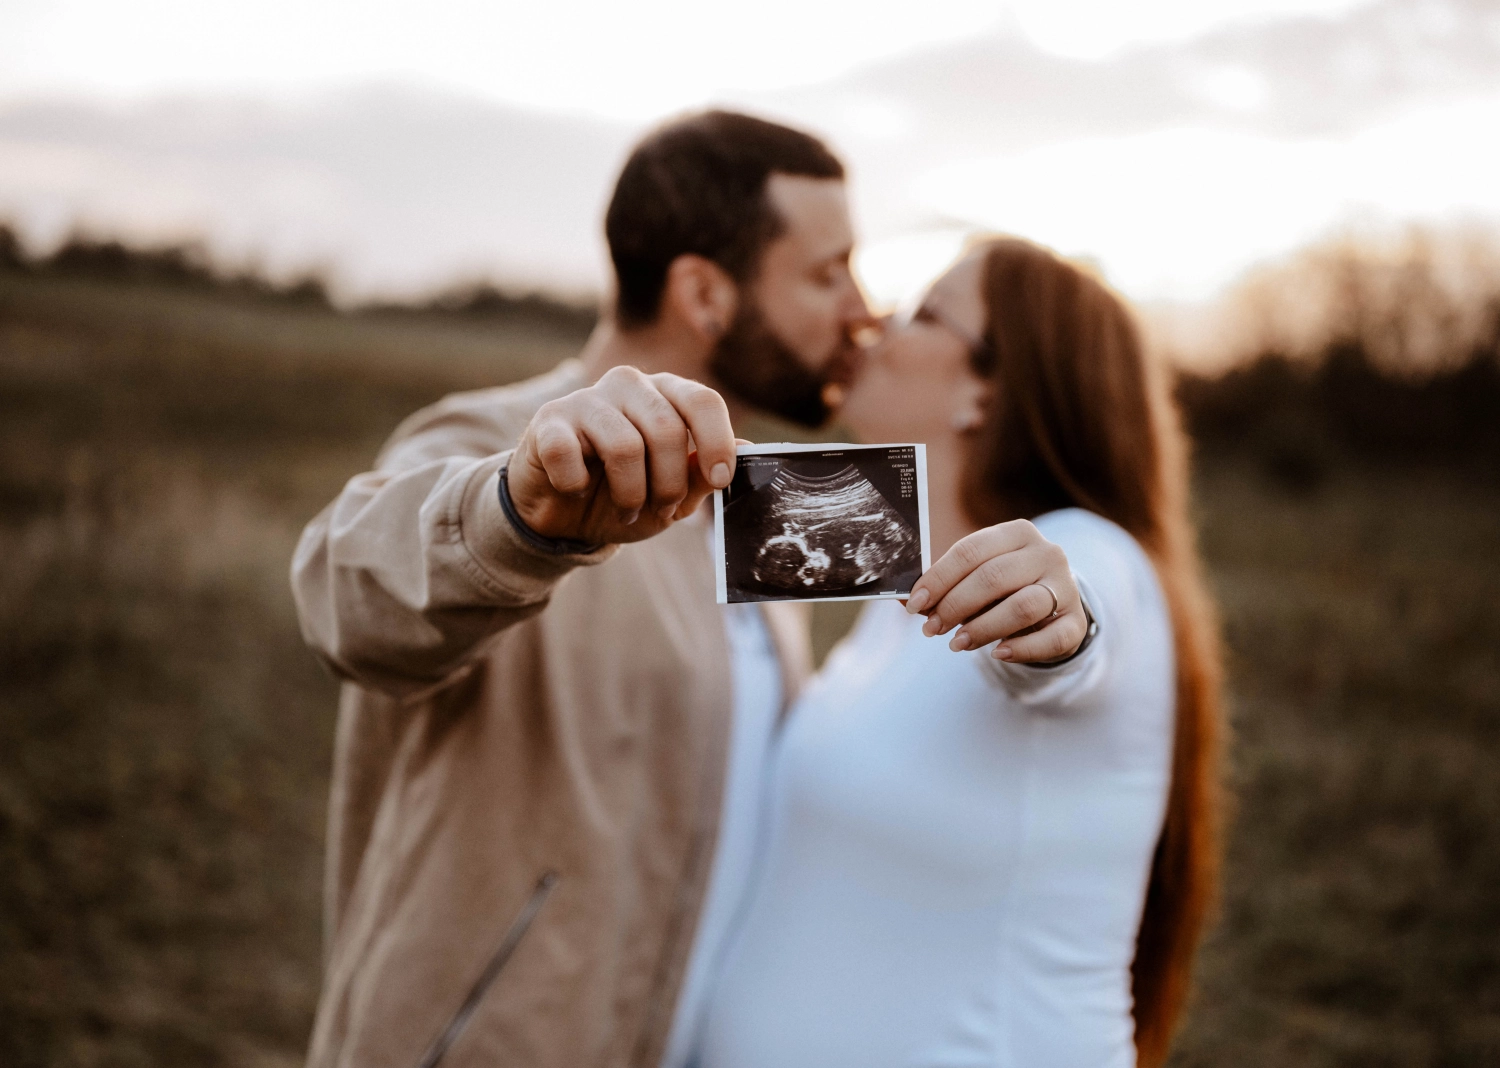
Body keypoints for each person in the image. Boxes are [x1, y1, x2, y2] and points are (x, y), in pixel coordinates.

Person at [290, 110, 876, 1068]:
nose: (860, 307)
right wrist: (518, 514)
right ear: (704, 292)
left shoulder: (767, 497)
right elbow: (344, 595)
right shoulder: (495, 446)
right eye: (826, 272)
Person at [694, 237, 1225, 1068]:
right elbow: (669, 532)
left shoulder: (1091, 553)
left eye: (921, 311)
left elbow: (1076, 628)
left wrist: (1061, 617)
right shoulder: (896, 565)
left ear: (987, 387)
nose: (875, 323)